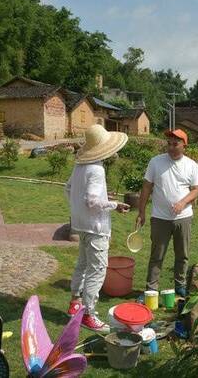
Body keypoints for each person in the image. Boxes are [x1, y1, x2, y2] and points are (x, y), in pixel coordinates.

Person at [66, 124, 130, 333]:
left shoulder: (80, 166)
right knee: (97, 269)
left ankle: (75, 302)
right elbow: (92, 201)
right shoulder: (96, 168)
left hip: (81, 225)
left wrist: (80, 208)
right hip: (95, 227)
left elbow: (70, 189)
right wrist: (114, 204)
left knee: (83, 264)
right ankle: (89, 314)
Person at [136, 129, 198, 299]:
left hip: (183, 217)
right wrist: (141, 212)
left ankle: (179, 286)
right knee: (157, 255)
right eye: (169, 143)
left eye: (175, 144)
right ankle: (151, 290)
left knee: (182, 254)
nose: (171, 147)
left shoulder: (191, 165)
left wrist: (182, 202)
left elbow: (195, 190)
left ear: (184, 145)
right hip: (160, 217)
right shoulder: (155, 162)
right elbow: (146, 188)